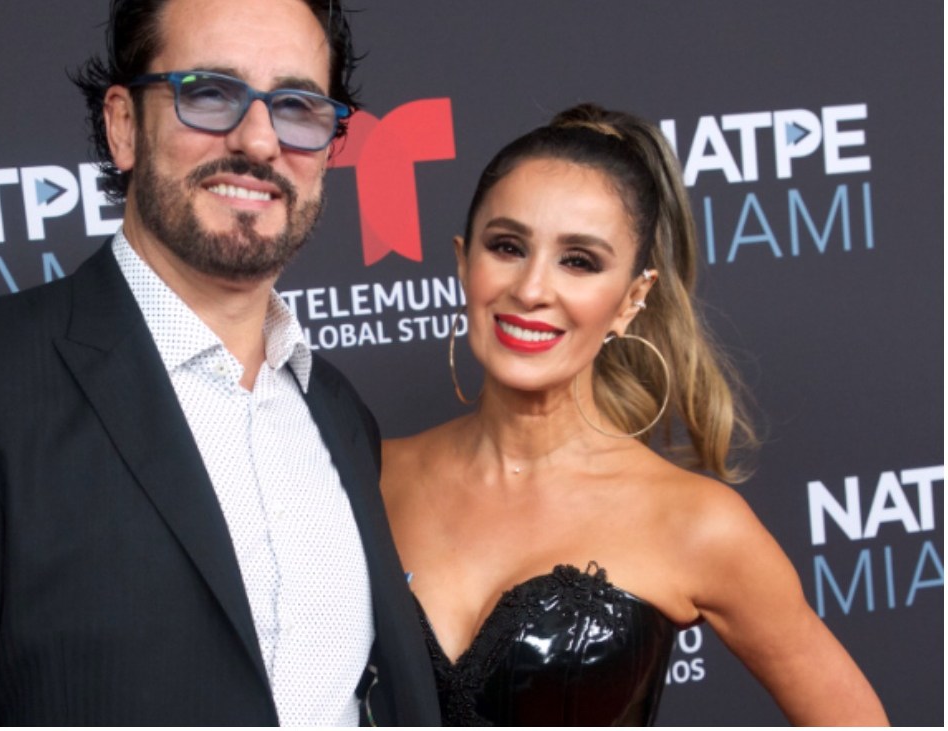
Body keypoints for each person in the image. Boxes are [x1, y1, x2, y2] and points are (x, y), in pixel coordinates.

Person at [0, 0, 439, 725]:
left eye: (297, 106)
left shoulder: (337, 410)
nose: (259, 140)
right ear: (123, 126)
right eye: (210, 93)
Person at [380, 103, 888, 726]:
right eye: (507, 247)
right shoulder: (371, 477)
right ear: (465, 263)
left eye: (579, 261)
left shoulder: (694, 521)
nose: (532, 289)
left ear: (631, 299)